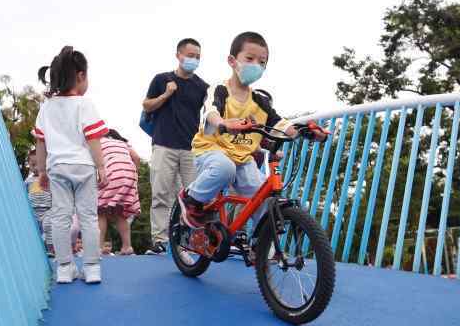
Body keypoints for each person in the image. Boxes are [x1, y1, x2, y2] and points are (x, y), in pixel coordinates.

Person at [176, 31, 328, 232]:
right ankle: (191, 198)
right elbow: (211, 113)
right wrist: (224, 123)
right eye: (249, 59)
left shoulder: (260, 100)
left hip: (242, 158)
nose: (256, 65)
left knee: (260, 196)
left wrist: (310, 133)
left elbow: (281, 124)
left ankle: (261, 243)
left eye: (262, 62)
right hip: (211, 150)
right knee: (224, 168)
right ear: (232, 61)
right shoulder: (221, 90)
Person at [34, 46, 108, 284]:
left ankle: (64, 268)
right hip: (84, 167)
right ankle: (92, 267)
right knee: (88, 217)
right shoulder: (84, 104)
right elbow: (93, 139)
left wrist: (42, 171)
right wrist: (102, 167)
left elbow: (40, 142)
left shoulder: (46, 107)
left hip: (58, 168)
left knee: (60, 217)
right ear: (81, 76)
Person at [143, 38, 209, 253]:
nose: (194, 60)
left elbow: (208, 115)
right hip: (164, 144)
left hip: (192, 148)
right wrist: (166, 94)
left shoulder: (202, 87)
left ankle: (190, 240)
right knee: (160, 194)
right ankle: (159, 240)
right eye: (190, 55)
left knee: (194, 198)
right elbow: (147, 105)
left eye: (197, 56)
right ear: (178, 55)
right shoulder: (162, 79)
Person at [97, 129, 141, 255]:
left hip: (111, 174)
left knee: (100, 211)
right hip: (129, 176)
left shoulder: (99, 142)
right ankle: (127, 246)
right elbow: (136, 158)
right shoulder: (123, 144)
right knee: (121, 213)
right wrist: (135, 174)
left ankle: (99, 247)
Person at [24, 150, 52, 233]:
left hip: (47, 211)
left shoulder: (49, 179)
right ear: (29, 165)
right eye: (33, 165)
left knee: (48, 229)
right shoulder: (28, 181)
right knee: (35, 231)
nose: (36, 167)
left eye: (39, 164)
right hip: (33, 212)